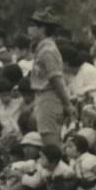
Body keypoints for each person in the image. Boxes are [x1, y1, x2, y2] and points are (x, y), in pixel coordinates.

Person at [27, 8, 71, 147]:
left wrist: (67, 104)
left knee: (50, 142)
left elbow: (56, 79)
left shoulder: (47, 50)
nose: (29, 29)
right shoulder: (41, 48)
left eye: (33, 26)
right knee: (47, 140)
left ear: (42, 29)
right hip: (43, 97)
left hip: (49, 97)